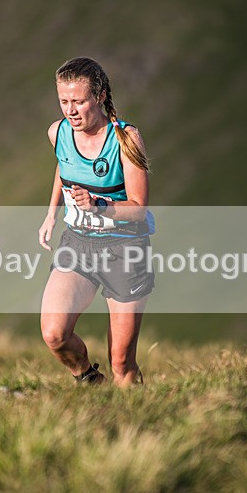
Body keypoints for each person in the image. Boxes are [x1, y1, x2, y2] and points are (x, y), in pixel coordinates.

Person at [38, 57, 154, 387]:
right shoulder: (57, 132)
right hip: (78, 244)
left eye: (78, 101)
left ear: (100, 96)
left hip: (125, 249)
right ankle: (89, 380)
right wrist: (51, 213)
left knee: (122, 363)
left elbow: (139, 208)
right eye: (64, 102)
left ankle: (139, 425)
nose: (70, 111)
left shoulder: (125, 139)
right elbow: (64, 166)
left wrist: (99, 205)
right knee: (55, 334)